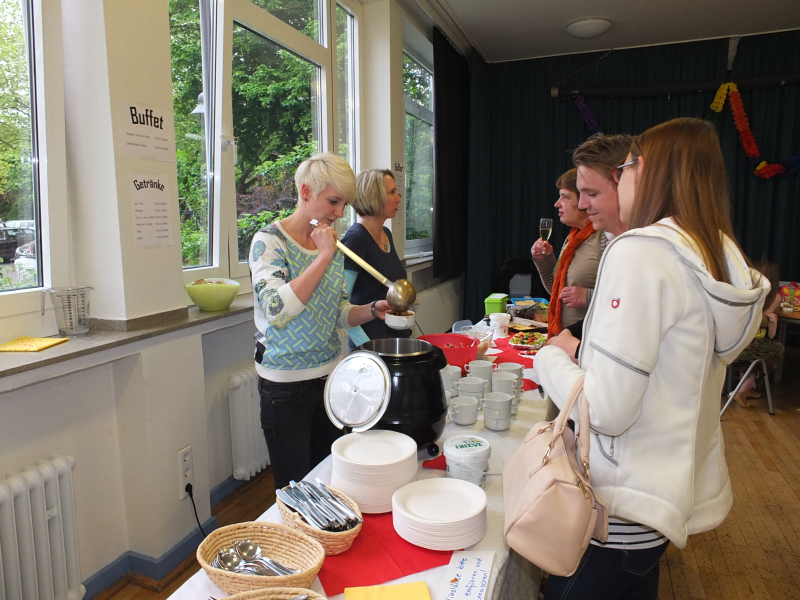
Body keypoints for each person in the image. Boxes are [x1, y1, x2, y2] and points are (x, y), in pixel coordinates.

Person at [537, 117, 769, 599]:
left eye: (624, 169)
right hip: (655, 507)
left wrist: (550, 359)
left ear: (648, 171)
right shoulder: (704, 252)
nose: (619, 179)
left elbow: (607, 410)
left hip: (617, 510)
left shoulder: (641, 252)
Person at [248, 153, 391, 489]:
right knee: (297, 490)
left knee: (329, 479)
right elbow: (277, 309)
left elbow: (339, 312)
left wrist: (373, 309)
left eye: (344, 204)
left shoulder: (332, 245)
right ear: (306, 192)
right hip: (285, 387)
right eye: (334, 201)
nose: (340, 213)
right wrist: (324, 254)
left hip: (329, 378)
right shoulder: (269, 242)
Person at [545, 134, 634, 359]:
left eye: (592, 193)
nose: (584, 204)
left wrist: (576, 348)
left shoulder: (635, 248)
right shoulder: (575, 239)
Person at [340, 169, 410, 348]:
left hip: (395, 340)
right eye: (392, 192)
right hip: (372, 348)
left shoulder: (386, 233)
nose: (398, 198)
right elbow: (340, 305)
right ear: (374, 197)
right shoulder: (355, 240)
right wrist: (367, 347)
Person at [531, 168, 604, 336]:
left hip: (588, 339)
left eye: (565, 197)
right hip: (564, 337)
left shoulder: (604, 238)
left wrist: (587, 297)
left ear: (584, 201)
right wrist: (545, 259)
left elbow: (625, 298)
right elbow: (557, 292)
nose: (557, 203)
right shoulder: (572, 238)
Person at [731, 260, 784, 407]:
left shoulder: (745, 293)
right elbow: (771, 335)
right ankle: (743, 390)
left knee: (751, 357)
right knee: (776, 350)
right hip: (750, 346)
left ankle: (746, 388)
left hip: (733, 343)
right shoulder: (775, 297)